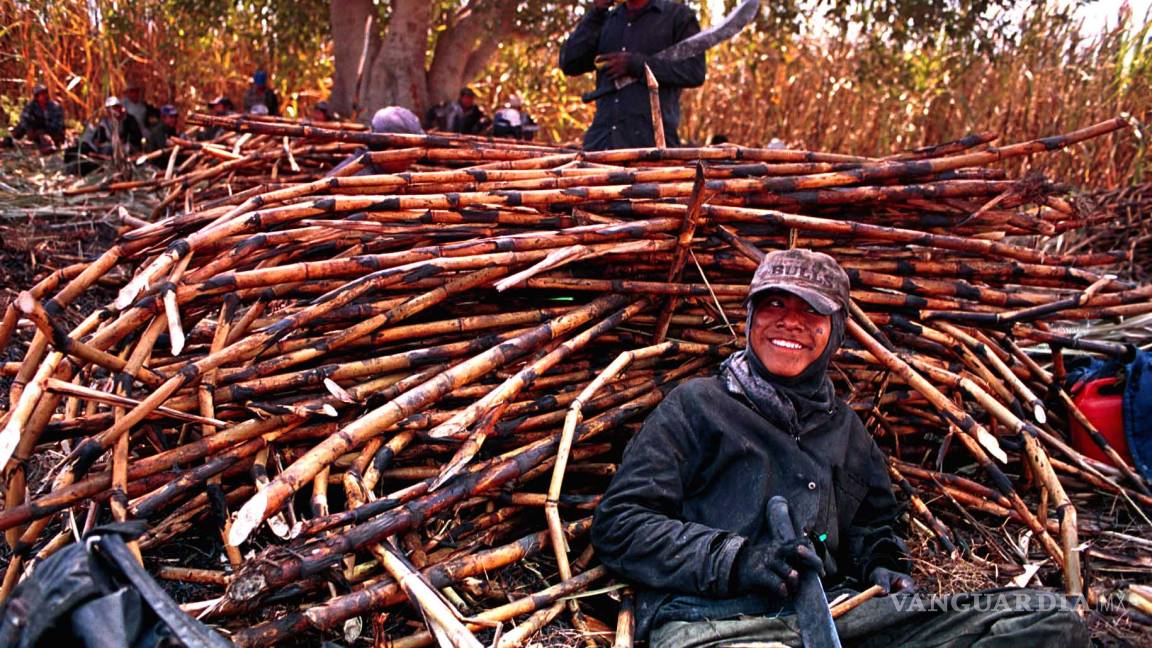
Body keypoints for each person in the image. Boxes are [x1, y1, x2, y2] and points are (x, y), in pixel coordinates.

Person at [592, 248, 1091, 648]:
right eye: (774, 305)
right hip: (718, 623)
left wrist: (884, 567)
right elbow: (620, 526)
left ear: (834, 333)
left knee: (1050, 620)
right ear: (749, 318)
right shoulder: (697, 406)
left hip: (836, 614)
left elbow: (875, 524)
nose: (790, 322)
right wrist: (739, 559)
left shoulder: (844, 427)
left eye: (811, 311)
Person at [559, 0, 706, 151]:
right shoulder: (606, 19)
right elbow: (570, 63)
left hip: (652, 149)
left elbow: (694, 71)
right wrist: (596, 13)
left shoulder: (678, 17)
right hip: (601, 146)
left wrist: (637, 65)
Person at [8, 84, 65, 154]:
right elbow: (24, 119)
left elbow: (58, 124)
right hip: (36, 130)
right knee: (19, 129)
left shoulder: (55, 106)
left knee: (45, 137)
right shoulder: (31, 106)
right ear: (37, 97)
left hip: (52, 132)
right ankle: (7, 141)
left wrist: (42, 131)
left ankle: (48, 146)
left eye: (45, 93)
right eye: (42, 94)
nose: (45, 96)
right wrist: (29, 129)